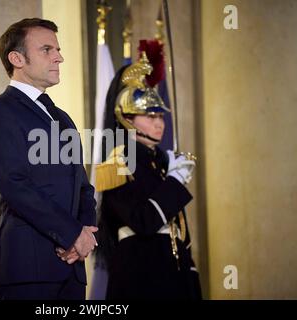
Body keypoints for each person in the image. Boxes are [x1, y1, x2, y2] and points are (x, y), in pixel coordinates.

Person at [0, 18, 97, 300]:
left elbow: (83, 187)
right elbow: (15, 185)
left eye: (58, 49)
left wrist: (85, 237)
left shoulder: (63, 118)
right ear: (17, 58)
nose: (59, 57)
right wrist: (72, 235)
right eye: (47, 49)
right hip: (28, 265)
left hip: (72, 267)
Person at [94, 49, 202, 299]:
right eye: (150, 115)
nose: (159, 123)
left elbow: (180, 234)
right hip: (142, 278)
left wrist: (190, 275)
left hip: (176, 277)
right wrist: (174, 182)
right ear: (127, 118)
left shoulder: (161, 165)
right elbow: (144, 221)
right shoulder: (118, 163)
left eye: (160, 115)